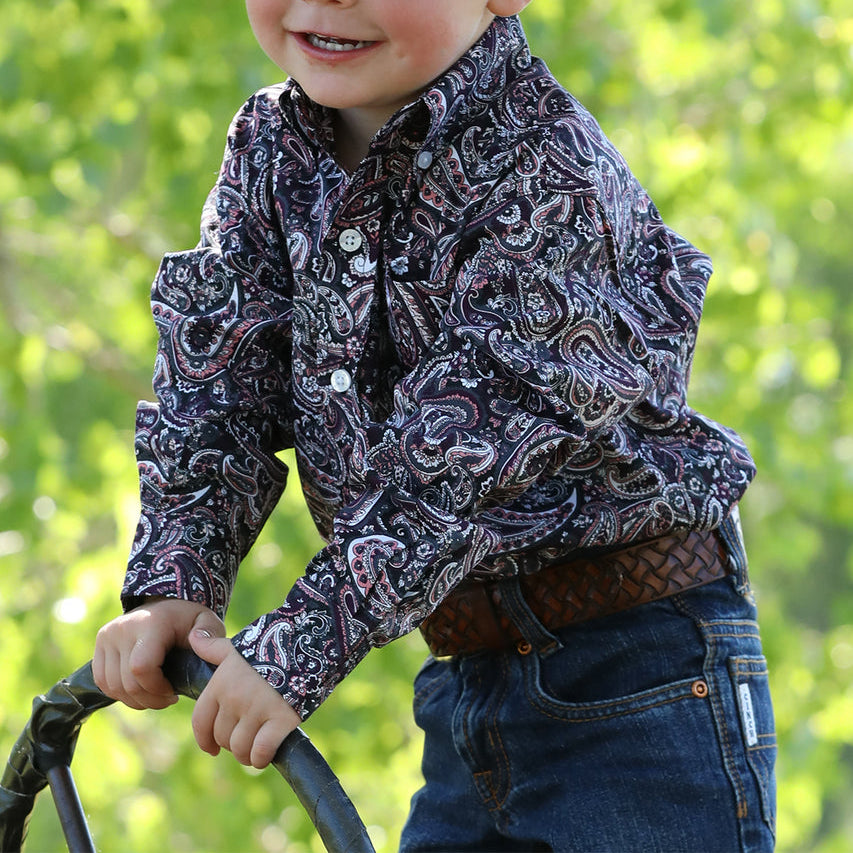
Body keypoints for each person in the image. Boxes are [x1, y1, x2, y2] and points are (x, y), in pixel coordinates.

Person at [93, 1, 777, 850]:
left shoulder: (540, 170)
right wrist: (178, 580)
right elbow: (220, 382)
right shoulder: (269, 149)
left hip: (639, 678)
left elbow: (460, 464)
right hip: (466, 674)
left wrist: (299, 644)